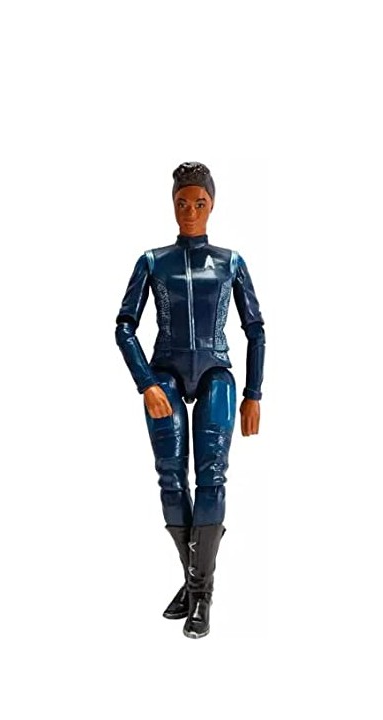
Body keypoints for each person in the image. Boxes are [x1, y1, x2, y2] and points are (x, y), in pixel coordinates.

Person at [115, 162, 265, 639]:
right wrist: (146, 382)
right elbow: (124, 326)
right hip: (164, 372)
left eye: (199, 203)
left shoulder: (230, 262)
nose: (190, 212)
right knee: (170, 477)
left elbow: (255, 329)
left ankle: (198, 593)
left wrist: (253, 394)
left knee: (212, 476)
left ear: (212, 205)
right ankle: (198, 586)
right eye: (182, 203)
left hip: (217, 371)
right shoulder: (152, 261)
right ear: (172, 204)